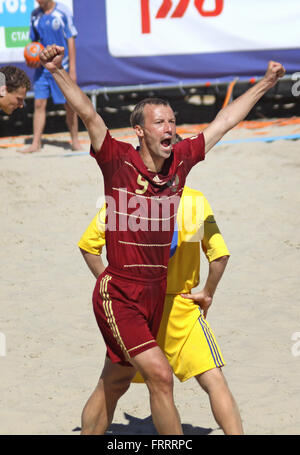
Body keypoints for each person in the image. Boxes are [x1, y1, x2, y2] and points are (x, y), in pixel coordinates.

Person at [38, 43, 284, 434]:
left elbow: (224, 121)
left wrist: (266, 83)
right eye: (160, 123)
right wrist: (56, 70)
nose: (169, 128)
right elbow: (88, 111)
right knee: (161, 374)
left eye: (172, 121)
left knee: (115, 381)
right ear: (139, 130)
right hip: (119, 292)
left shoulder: (181, 162)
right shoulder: (116, 159)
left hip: (156, 293)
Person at [78, 185, 244, 435]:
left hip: (135, 307)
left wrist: (114, 288)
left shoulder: (125, 200)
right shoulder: (194, 202)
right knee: (214, 381)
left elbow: (89, 247)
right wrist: (207, 293)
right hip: (182, 306)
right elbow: (219, 256)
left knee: (110, 385)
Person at [21, 0, 81, 153]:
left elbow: (71, 40)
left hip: (61, 67)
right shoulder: (35, 15)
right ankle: (36, 143)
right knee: (39, 104)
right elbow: (34, 44)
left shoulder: (63, 11)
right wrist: (32, 59)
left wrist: (72, 69)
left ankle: (75, 141)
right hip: (42, 69)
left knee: (70, 106)